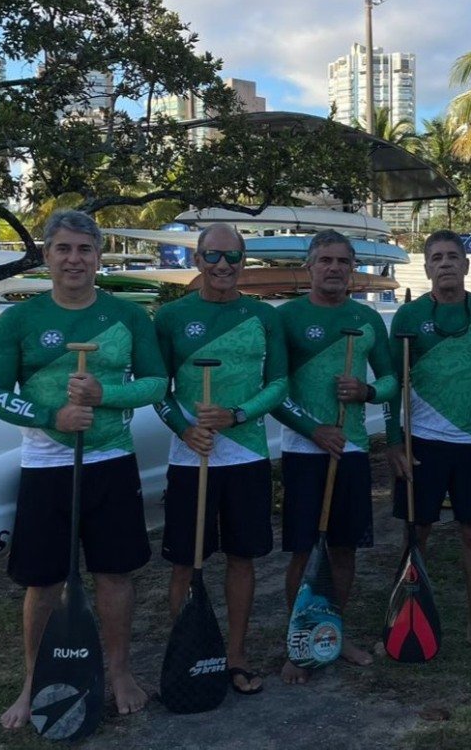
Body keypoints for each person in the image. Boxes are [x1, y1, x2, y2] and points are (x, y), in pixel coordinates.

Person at [0, 209, 167, 728]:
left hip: (110, 458)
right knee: (42, 581)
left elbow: (156, 384)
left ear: (99, 256)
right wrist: (51, 415)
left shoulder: (128, 317)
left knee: (114, 573)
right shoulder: (19, 319)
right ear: (47, 256)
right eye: (63, 249)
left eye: (85, 249)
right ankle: (33, 682)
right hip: (46, 462)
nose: (74, 259)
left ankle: (119, 673)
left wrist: (106, 395)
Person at [153, 223, 287, 697]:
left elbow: (278, 385)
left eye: (233, 257)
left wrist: (237, 414)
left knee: (242, 559)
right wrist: (185, 429)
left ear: (244, 262)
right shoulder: (170, 318)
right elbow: (157, 389)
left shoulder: (263, 316)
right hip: (192, 458)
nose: (223, 266)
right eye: (213, 256)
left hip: (247, 457)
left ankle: (234, 654)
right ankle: (190, 648)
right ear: (197, 260)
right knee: (187, 564)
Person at [386, 229, 471, 658]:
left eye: (452, 257)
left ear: (466, 264)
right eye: (436, 258)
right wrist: (394, 442)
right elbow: (393, 384)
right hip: (422, 441)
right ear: (426, 267)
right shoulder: (408, 317)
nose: (445, 263)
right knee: (416, 534)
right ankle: (400, 618)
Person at [271, 230, 398, 685]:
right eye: (325, 260)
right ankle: (298, 639)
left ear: (352, 269)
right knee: (304, 552)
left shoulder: (367, 318)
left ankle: (333, 633)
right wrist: (314, 430)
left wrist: (365, 391)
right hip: (305, 450)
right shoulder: (286, 319)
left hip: (352, 448)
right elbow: (275, 392)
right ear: (309, 266)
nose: (334, 268)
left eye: (343, 261)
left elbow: (390, 382)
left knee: (344, 550)